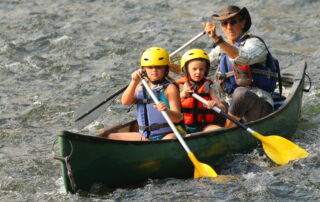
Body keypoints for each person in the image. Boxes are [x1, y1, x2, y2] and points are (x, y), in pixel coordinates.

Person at [202, 5, 280, 128]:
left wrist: (217, 39)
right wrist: (165, 66)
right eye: (224, 24)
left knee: (241, 94)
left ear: (242, 23)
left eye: (233, 22)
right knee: (208, 108)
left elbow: (243, 58)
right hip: (231, 107)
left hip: (258, 108)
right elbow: (198, 69)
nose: (229, 27)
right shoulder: (219, 49)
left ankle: (226, 132)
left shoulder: (255, 43)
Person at [99, 47, 183, 141]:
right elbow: (125, 102)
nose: (154, 70)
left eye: (158, 67)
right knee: (108, 137)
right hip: (145, 136)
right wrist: (134, 81)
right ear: (144, 69)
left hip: (166, 135)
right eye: (150, 67)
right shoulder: (140, 86)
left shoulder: (170, 88)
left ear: (166, 69)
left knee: (170, 138)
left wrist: (167, 111)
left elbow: (178, 118)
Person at [176, 49, 226, 133]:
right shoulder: (179, 87)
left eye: (201, 69)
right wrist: (182, 95)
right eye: (194, 69)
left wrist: (215, 104)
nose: (198, 72)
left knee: (219, 130)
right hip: (183, 127)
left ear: (205, 71)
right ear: (186, 70)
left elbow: (223, 108)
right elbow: (171, 105)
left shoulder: (208, 89)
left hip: (204, 126)